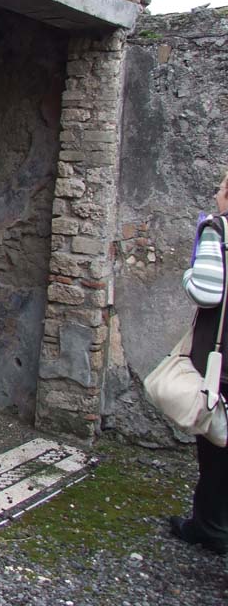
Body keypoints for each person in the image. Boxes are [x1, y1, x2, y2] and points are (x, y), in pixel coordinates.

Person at [172, 171, 228, 555]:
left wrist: (188, 273)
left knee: (216, 441)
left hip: (221, 360)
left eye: (222, 188)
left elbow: (206, 291)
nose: (217, 194)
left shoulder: (217, 229)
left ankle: (210, 527)